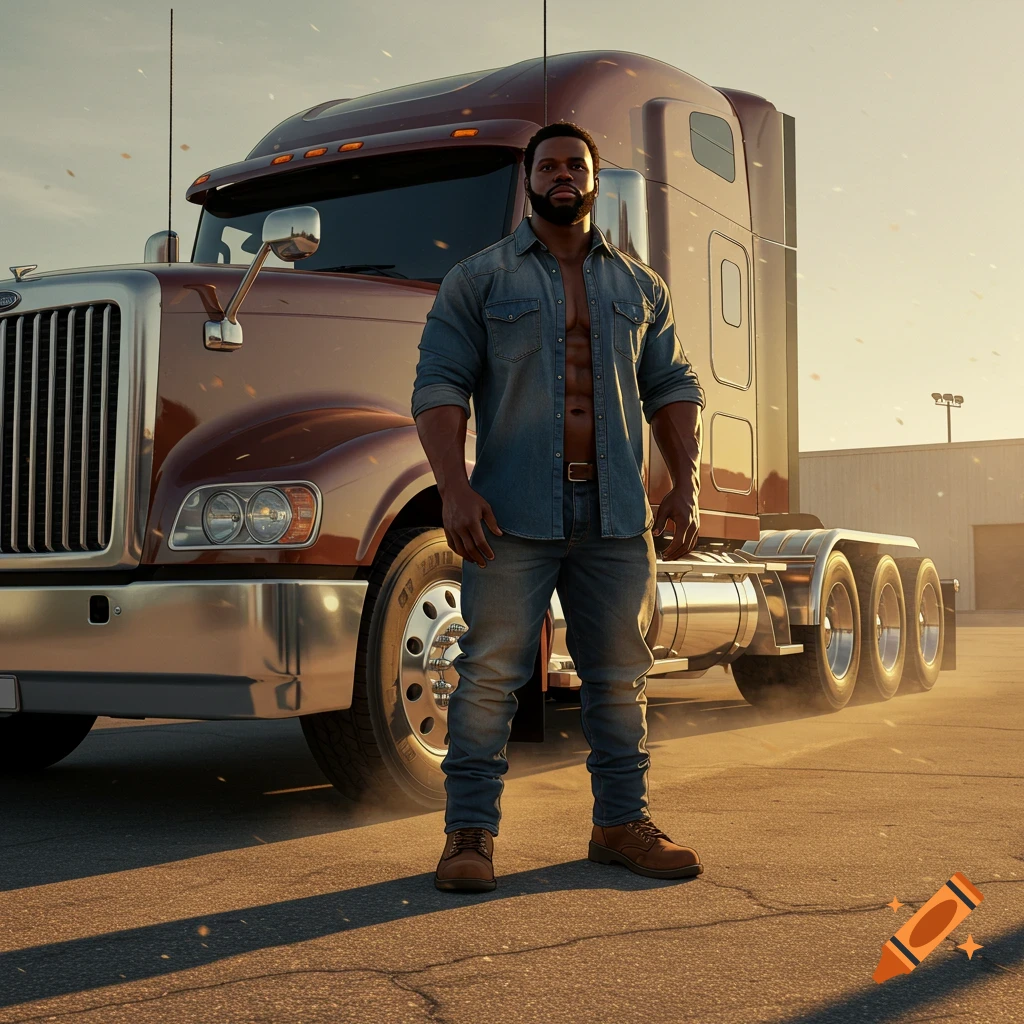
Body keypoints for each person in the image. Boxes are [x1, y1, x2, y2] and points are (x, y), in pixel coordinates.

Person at [411, 121, 705, 892]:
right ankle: (468, 836)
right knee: (487, 678)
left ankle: (619, 823)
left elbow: (671, 386)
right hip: (512, 514)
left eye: (577, 163)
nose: (563, 174)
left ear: (596, 180)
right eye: (550, 164)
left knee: (618, 679)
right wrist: (453, 485)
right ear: (531, 180)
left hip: (615, 518)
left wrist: (686, 481)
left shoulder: (639, 287)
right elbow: (438, 386)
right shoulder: (479, 279)